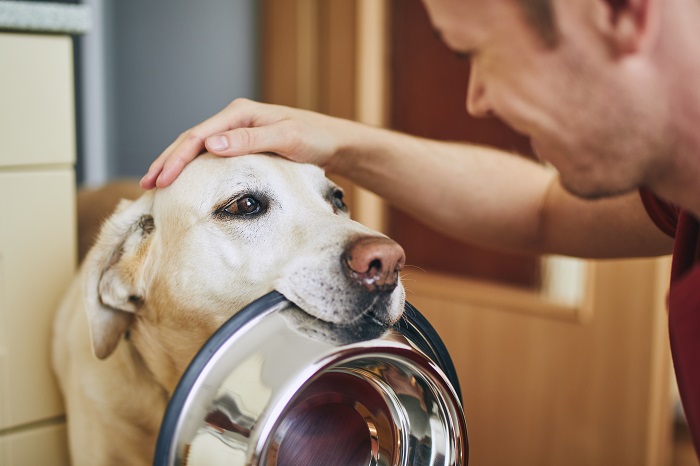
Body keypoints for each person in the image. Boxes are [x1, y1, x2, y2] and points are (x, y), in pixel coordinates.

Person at [140, 0, 700, 458]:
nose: (478, 99)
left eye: (478, 52)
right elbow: (541, 210)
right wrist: (337, 141)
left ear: (620, 14)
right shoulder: (681, 195)